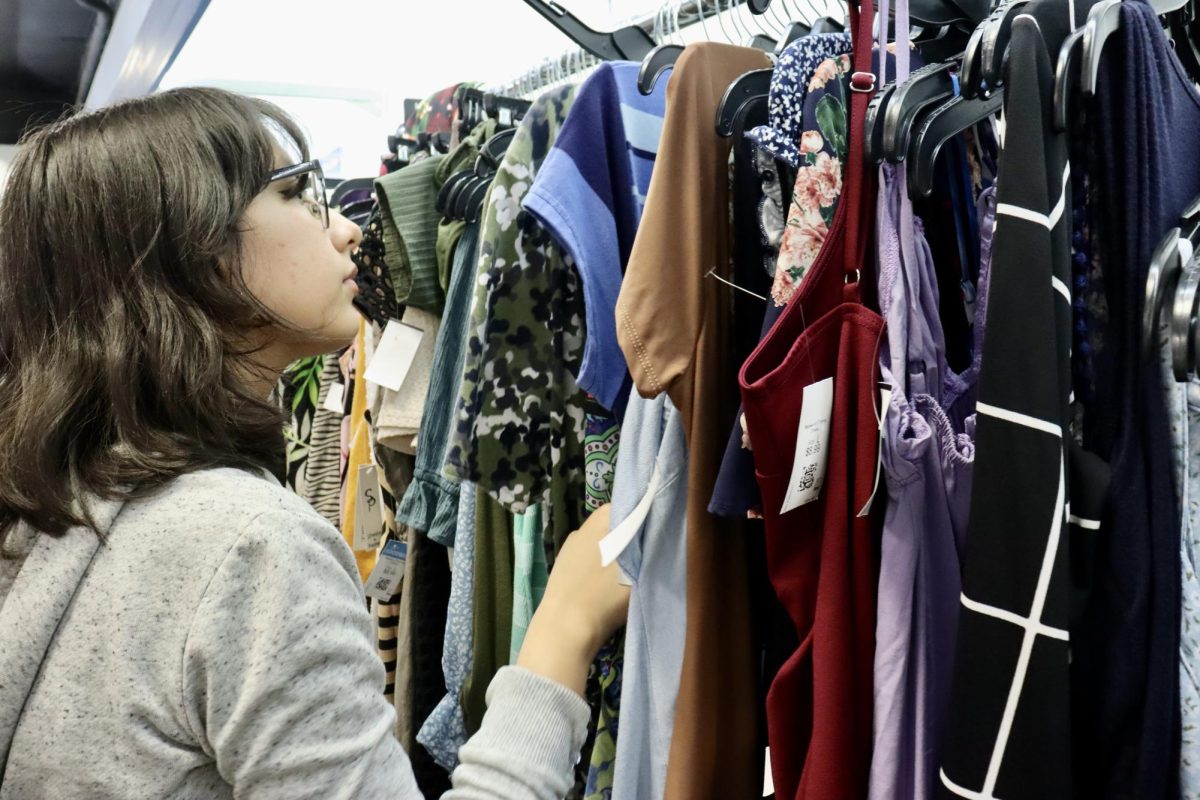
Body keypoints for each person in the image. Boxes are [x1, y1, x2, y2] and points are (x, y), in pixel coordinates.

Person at [0, 87, 629, 799]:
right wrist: (565, 629)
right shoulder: (246, 548)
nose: (347, 231)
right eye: (299, 193)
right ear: (201, 248)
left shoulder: (56, 501)